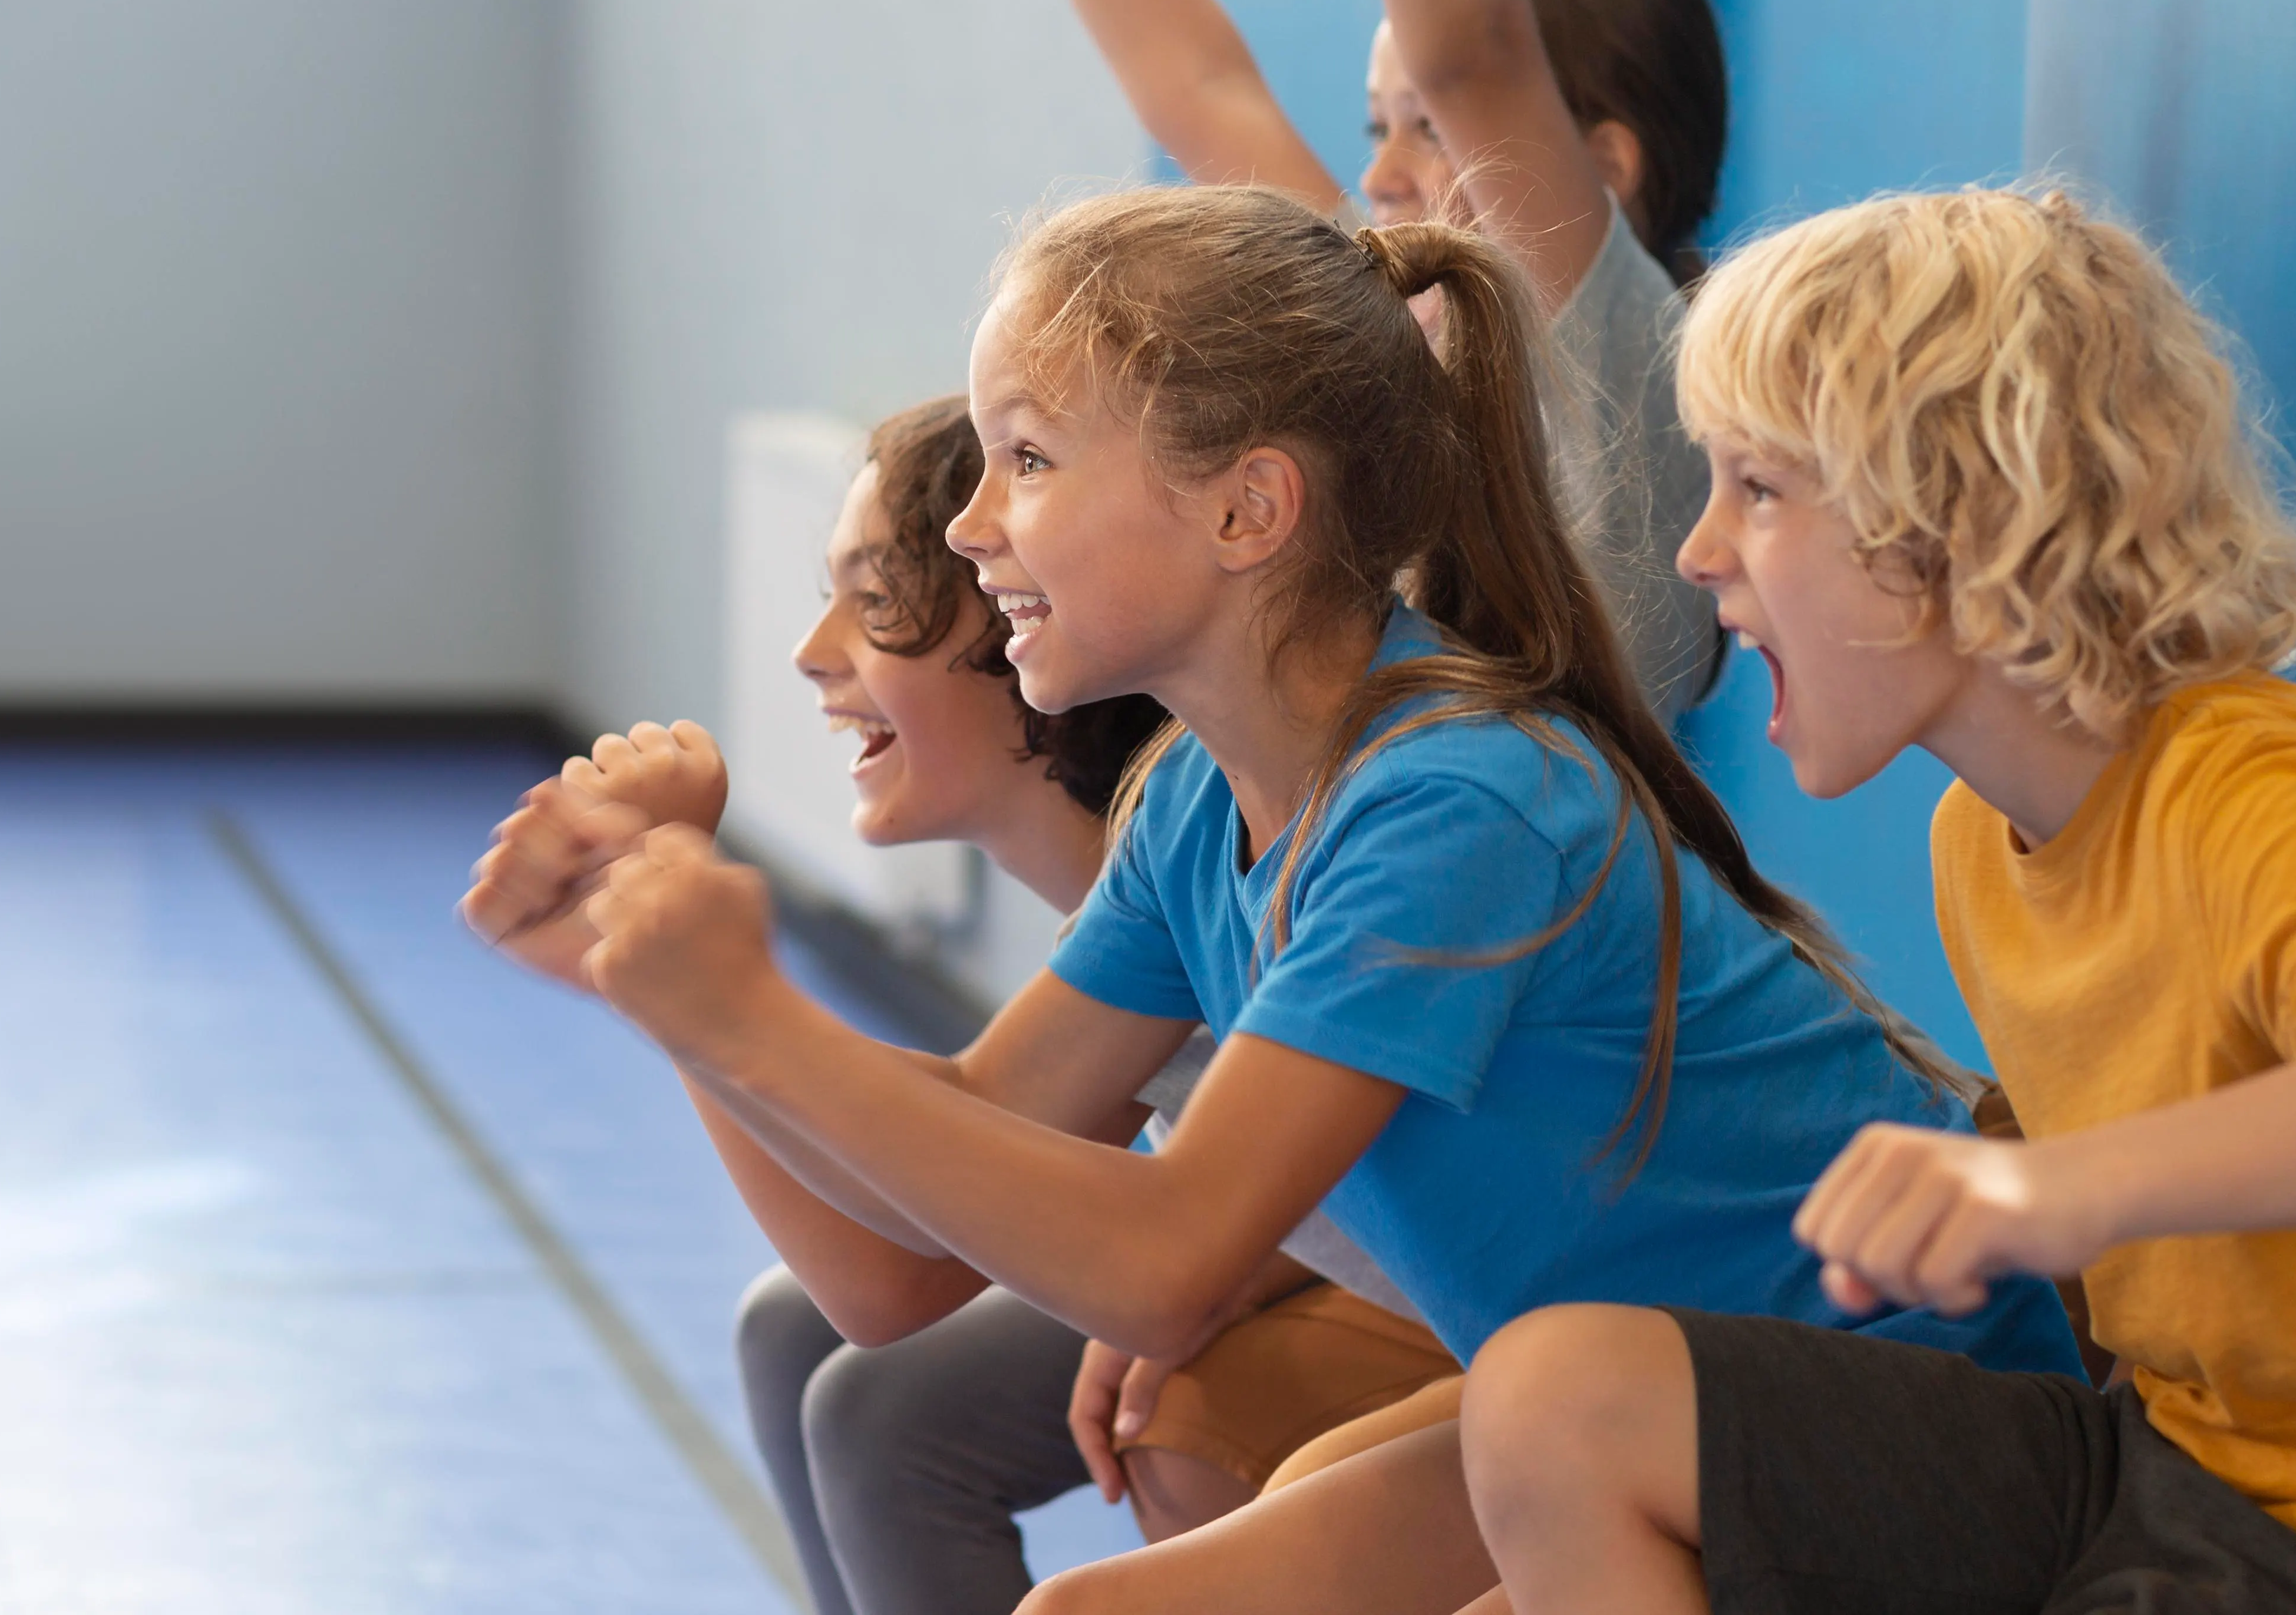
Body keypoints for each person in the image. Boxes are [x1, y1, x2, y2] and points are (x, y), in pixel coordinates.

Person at [470, 184, 2079, 1615]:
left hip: (1882, 1410)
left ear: (1247, 510)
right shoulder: (1188, 796)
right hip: (1628, 1397)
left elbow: (1165, 1258)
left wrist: (741, 1007)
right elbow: (899, 1266)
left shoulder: (1457, 795)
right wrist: (658, 983)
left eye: (1025, 459)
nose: (971, 526)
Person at [1457, 187, 2296, 1615]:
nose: (1698, 551)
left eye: (1756, 487)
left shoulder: (2242, 784)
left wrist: (2042, 1190)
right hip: (2165, 1475)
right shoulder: (1975, 845)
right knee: (1552, 1404)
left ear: (1951, 514)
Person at [504, 398, 1454, 1615]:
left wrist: (704, 995)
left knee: (914, 1408)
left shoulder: (1382, 818)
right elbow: (899, 1260)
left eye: (879, 593)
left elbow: (940, 1278)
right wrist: (666, 980)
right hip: (1362, 1278)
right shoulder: (1165, 854)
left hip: (1546, 1328)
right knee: (799, 1330)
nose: (810, 648)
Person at [998, 0, 1727, 721]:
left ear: (1603, 169)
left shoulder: (1628, 368)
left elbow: (1471, 52)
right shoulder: (1402, 335)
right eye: (1376, 125)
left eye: (1427, 126)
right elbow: (1202, 87)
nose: (1378, 177)